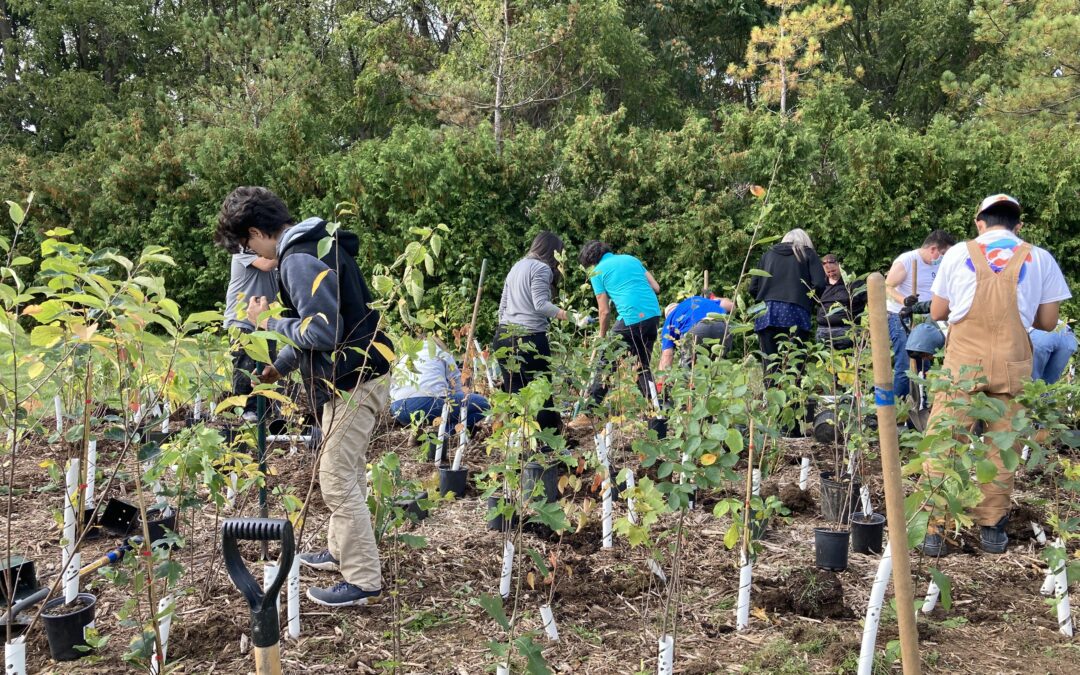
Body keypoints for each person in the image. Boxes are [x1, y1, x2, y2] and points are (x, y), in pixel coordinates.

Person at [216, 186, 393, 607]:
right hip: (357, 373)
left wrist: (270, 319)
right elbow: (319, 324)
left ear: (258, 231)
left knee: (334, 478)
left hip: (355, 379)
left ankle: (364, 581)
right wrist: (282, 365)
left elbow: (322, 332)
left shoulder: (297, 258)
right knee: (342, 471)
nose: (248, 250)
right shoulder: (315, 244)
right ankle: (340, 552)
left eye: (246, 243)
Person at [921, 194, 1071, 556]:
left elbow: (938, 311)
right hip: (1012, 362)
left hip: (963, 365)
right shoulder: (1039, 258)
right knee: (1003, 449)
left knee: (945, 441)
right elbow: (1049, 322)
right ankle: (991, 529)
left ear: (979, 222)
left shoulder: (957, 253)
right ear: (1018, 225)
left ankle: (935, 531)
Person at [491, 232, 577, 435]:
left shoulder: (516, 266)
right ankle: (547, 442)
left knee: (515, 392)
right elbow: (541, 305)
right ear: (554, 252)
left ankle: (518, 441)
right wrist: (571, 316)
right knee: (541, 390)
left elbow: (502, 307)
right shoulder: (541, 268)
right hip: (529, 337)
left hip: (503, 336)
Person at [576, 240, 662, 414]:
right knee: (641, 365)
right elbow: (656, 287)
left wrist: (601, 336)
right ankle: (657, 410)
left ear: (590, 263)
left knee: (606, 360)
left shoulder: (597, 272)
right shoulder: (631, 259)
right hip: (653, 315)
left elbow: (604, 312)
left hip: (631, 317)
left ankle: (590, 412)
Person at [884, 230, 956, 397]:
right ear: (933, 249)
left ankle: (920, 403)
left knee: (924, 362)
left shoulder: (938, 264)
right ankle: (897, 408)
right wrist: (904, 300)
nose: (944, 258)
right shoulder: (907, 261)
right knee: (905, 362)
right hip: (902, 316)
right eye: (943, 253)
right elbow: (887, 286)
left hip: (926, 315)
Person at [748, 228, 827, 380]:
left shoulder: (767, 255)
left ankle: (772, 400)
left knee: (770, 364)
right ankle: (793, 402)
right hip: (795, 312)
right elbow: (819, 284)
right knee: (794, 363)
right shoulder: (807, 254)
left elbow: (753, 288)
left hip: (766, 313)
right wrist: (809, 302)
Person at [219, 246, 278, 422]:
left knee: (269, 365)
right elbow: (267, 265)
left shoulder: (271, 258)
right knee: (245, 365)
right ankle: (245, 410)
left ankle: (264, 409)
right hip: (242, 320)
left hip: (264, 321)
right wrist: (286, 248)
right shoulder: (241, 252)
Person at [390, 337, 489, 431]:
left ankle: (417, 432)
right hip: (427, 404)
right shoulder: (441, 353)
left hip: (398, 408)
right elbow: (456, 382)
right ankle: (444, 433)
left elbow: (392, 386)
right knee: (484, 404)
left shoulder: (405, 357)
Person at [657, 290, 734, 371]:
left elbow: (667, 354)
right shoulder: (697, 300)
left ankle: (687, 381)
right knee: (715, 367)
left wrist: (661, 383)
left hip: (697, 330)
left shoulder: (670, 319)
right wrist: (713, 298)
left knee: (688, 371)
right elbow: (731, 306)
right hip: (724, 328)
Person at [815, 253, 866, 350]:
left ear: (839, 265)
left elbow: (869, 302)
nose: (831, 274)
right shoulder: (821, 285)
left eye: (833, 270)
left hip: (847, 331)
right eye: (828, 272)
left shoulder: (853, 283)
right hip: (823, 331)